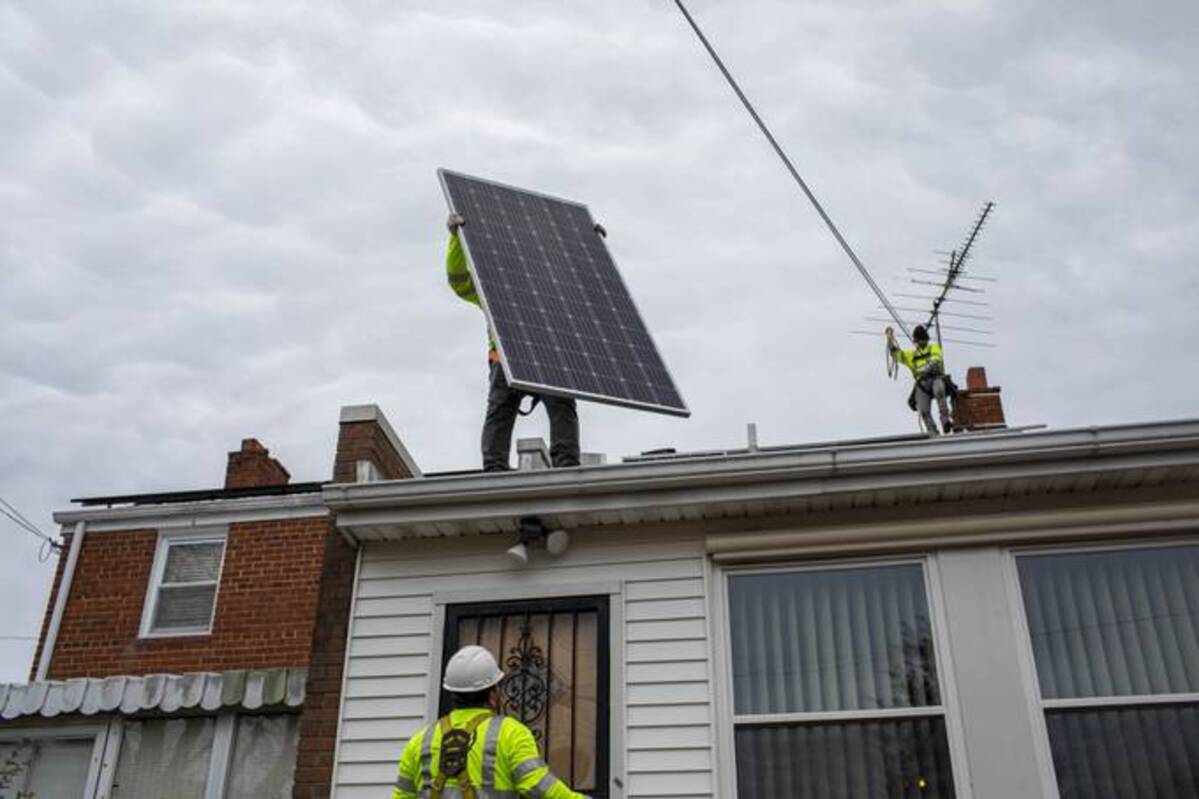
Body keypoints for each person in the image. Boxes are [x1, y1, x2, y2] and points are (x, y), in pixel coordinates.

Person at [446, 212, 581, 471]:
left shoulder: (553, 286)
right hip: (506, 359)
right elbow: (459, 281)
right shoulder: (493, 287)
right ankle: (495, 469)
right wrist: (456, 238)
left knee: (560, 406)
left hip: (547, 357)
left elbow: (589, 286)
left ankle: (566, 468)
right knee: (502, 411)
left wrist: (588, 242)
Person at [392, 645, 589, 799]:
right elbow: (539, 787)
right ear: (493, 694)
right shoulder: (511, 733)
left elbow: (402, 795)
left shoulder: (420, 741)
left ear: (452, 692)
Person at [887, 324, 952, 436]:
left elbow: (936, 361)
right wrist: (890, 339)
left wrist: (923, 369)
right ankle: (932, 431)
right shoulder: (911, 355)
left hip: (935, 378)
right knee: (924, 411)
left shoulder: (933, 348)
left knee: (939, 391)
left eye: (923, 340)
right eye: (919, 340)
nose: (921, 342)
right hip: (921, 384)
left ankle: (945, 420)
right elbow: (896, 355)